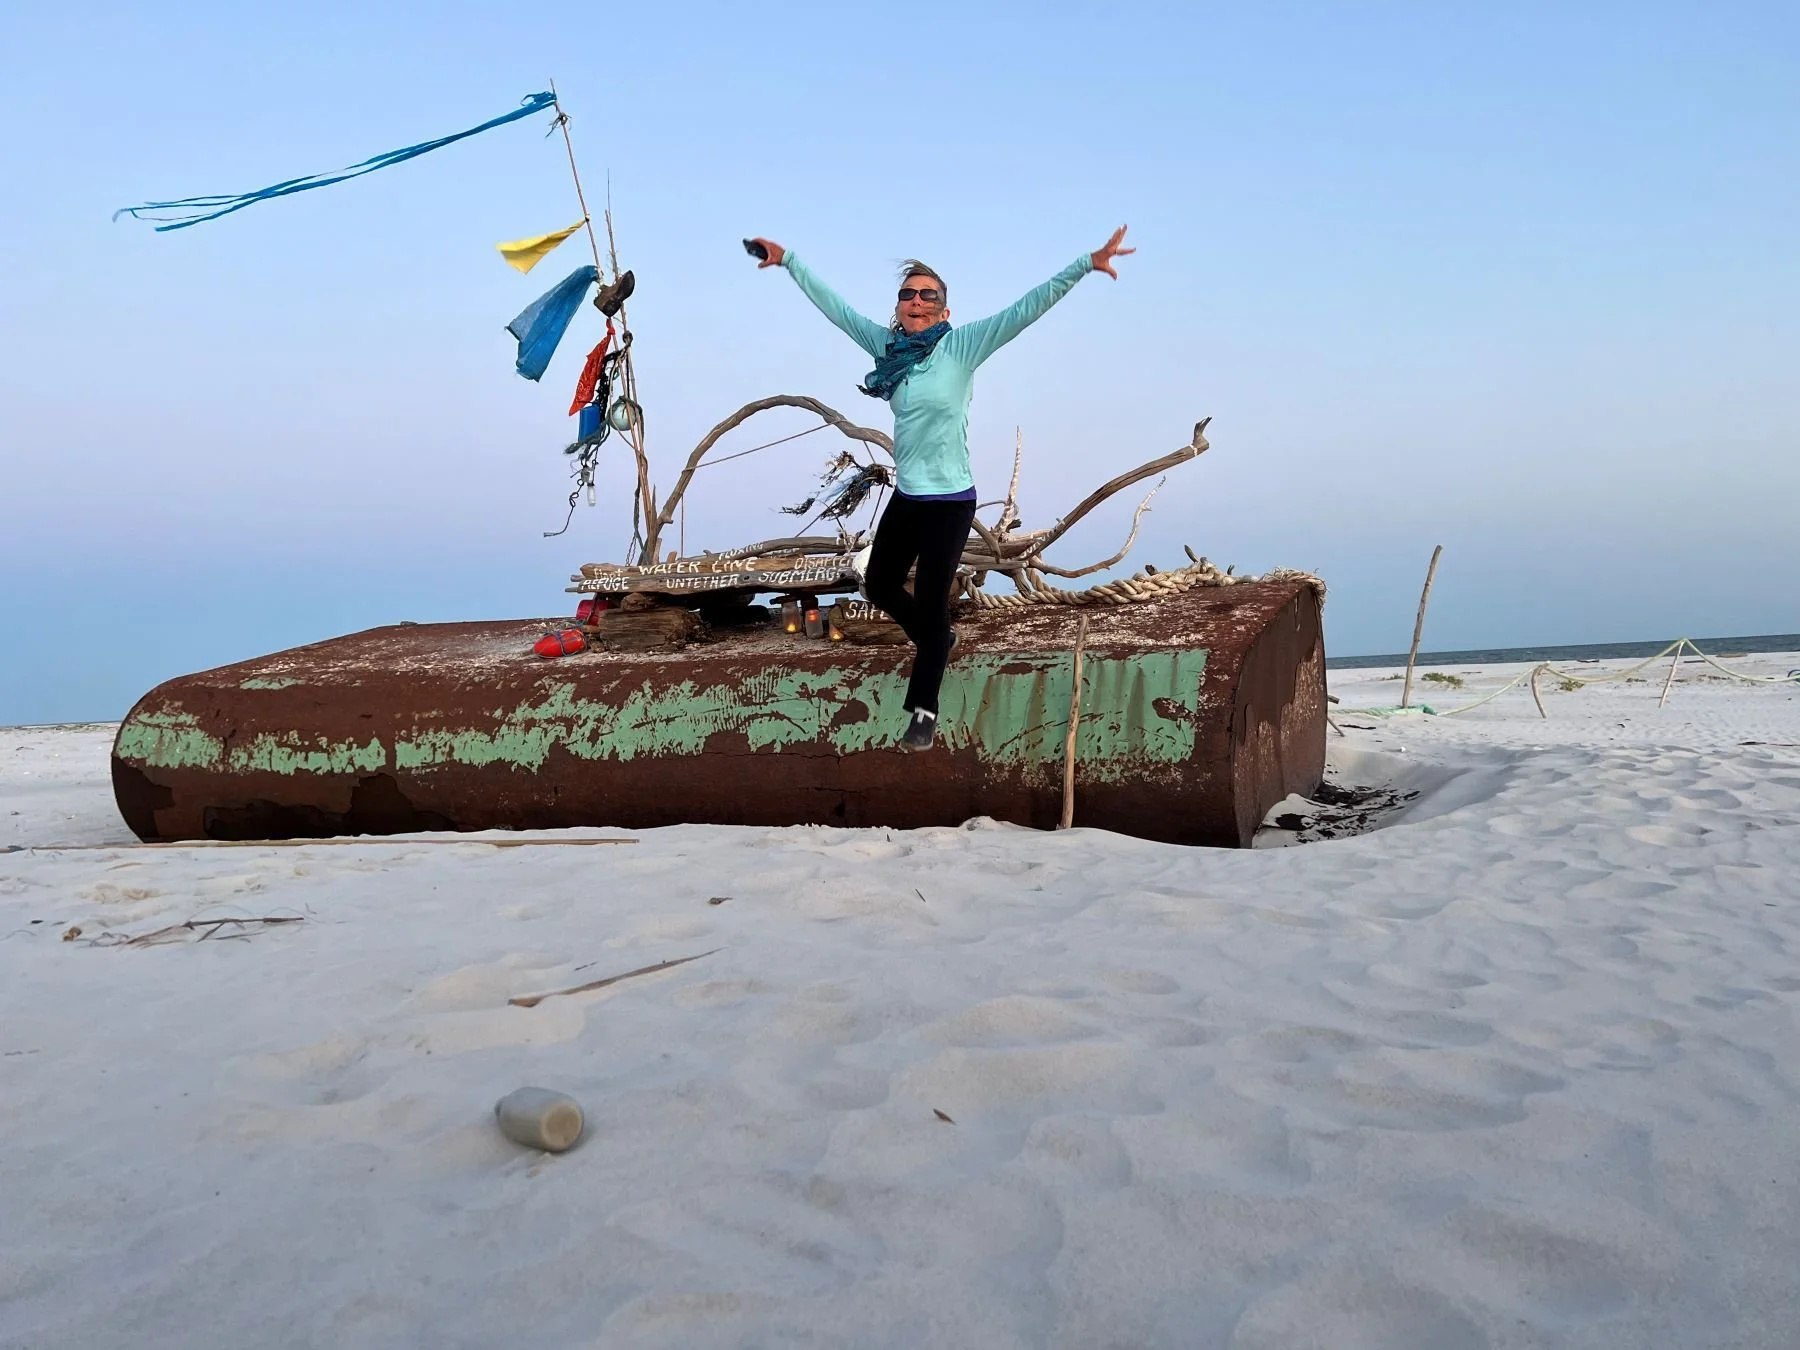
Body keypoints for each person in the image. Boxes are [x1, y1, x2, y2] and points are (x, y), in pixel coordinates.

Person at [748, 226, 1135, 750]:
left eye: (928, 294)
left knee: (931, 601)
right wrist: (789, 259)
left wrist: (1084, 264)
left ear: (944, 310)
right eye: (908, 293)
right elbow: (835, 309)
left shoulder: (962, 346)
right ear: (899, 307)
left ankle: (924, 708)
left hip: (951, 501)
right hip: (909, 497)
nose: (917, 301)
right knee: (881, 585)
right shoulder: (890, 349)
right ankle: (938, 642)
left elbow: (1024, 310)